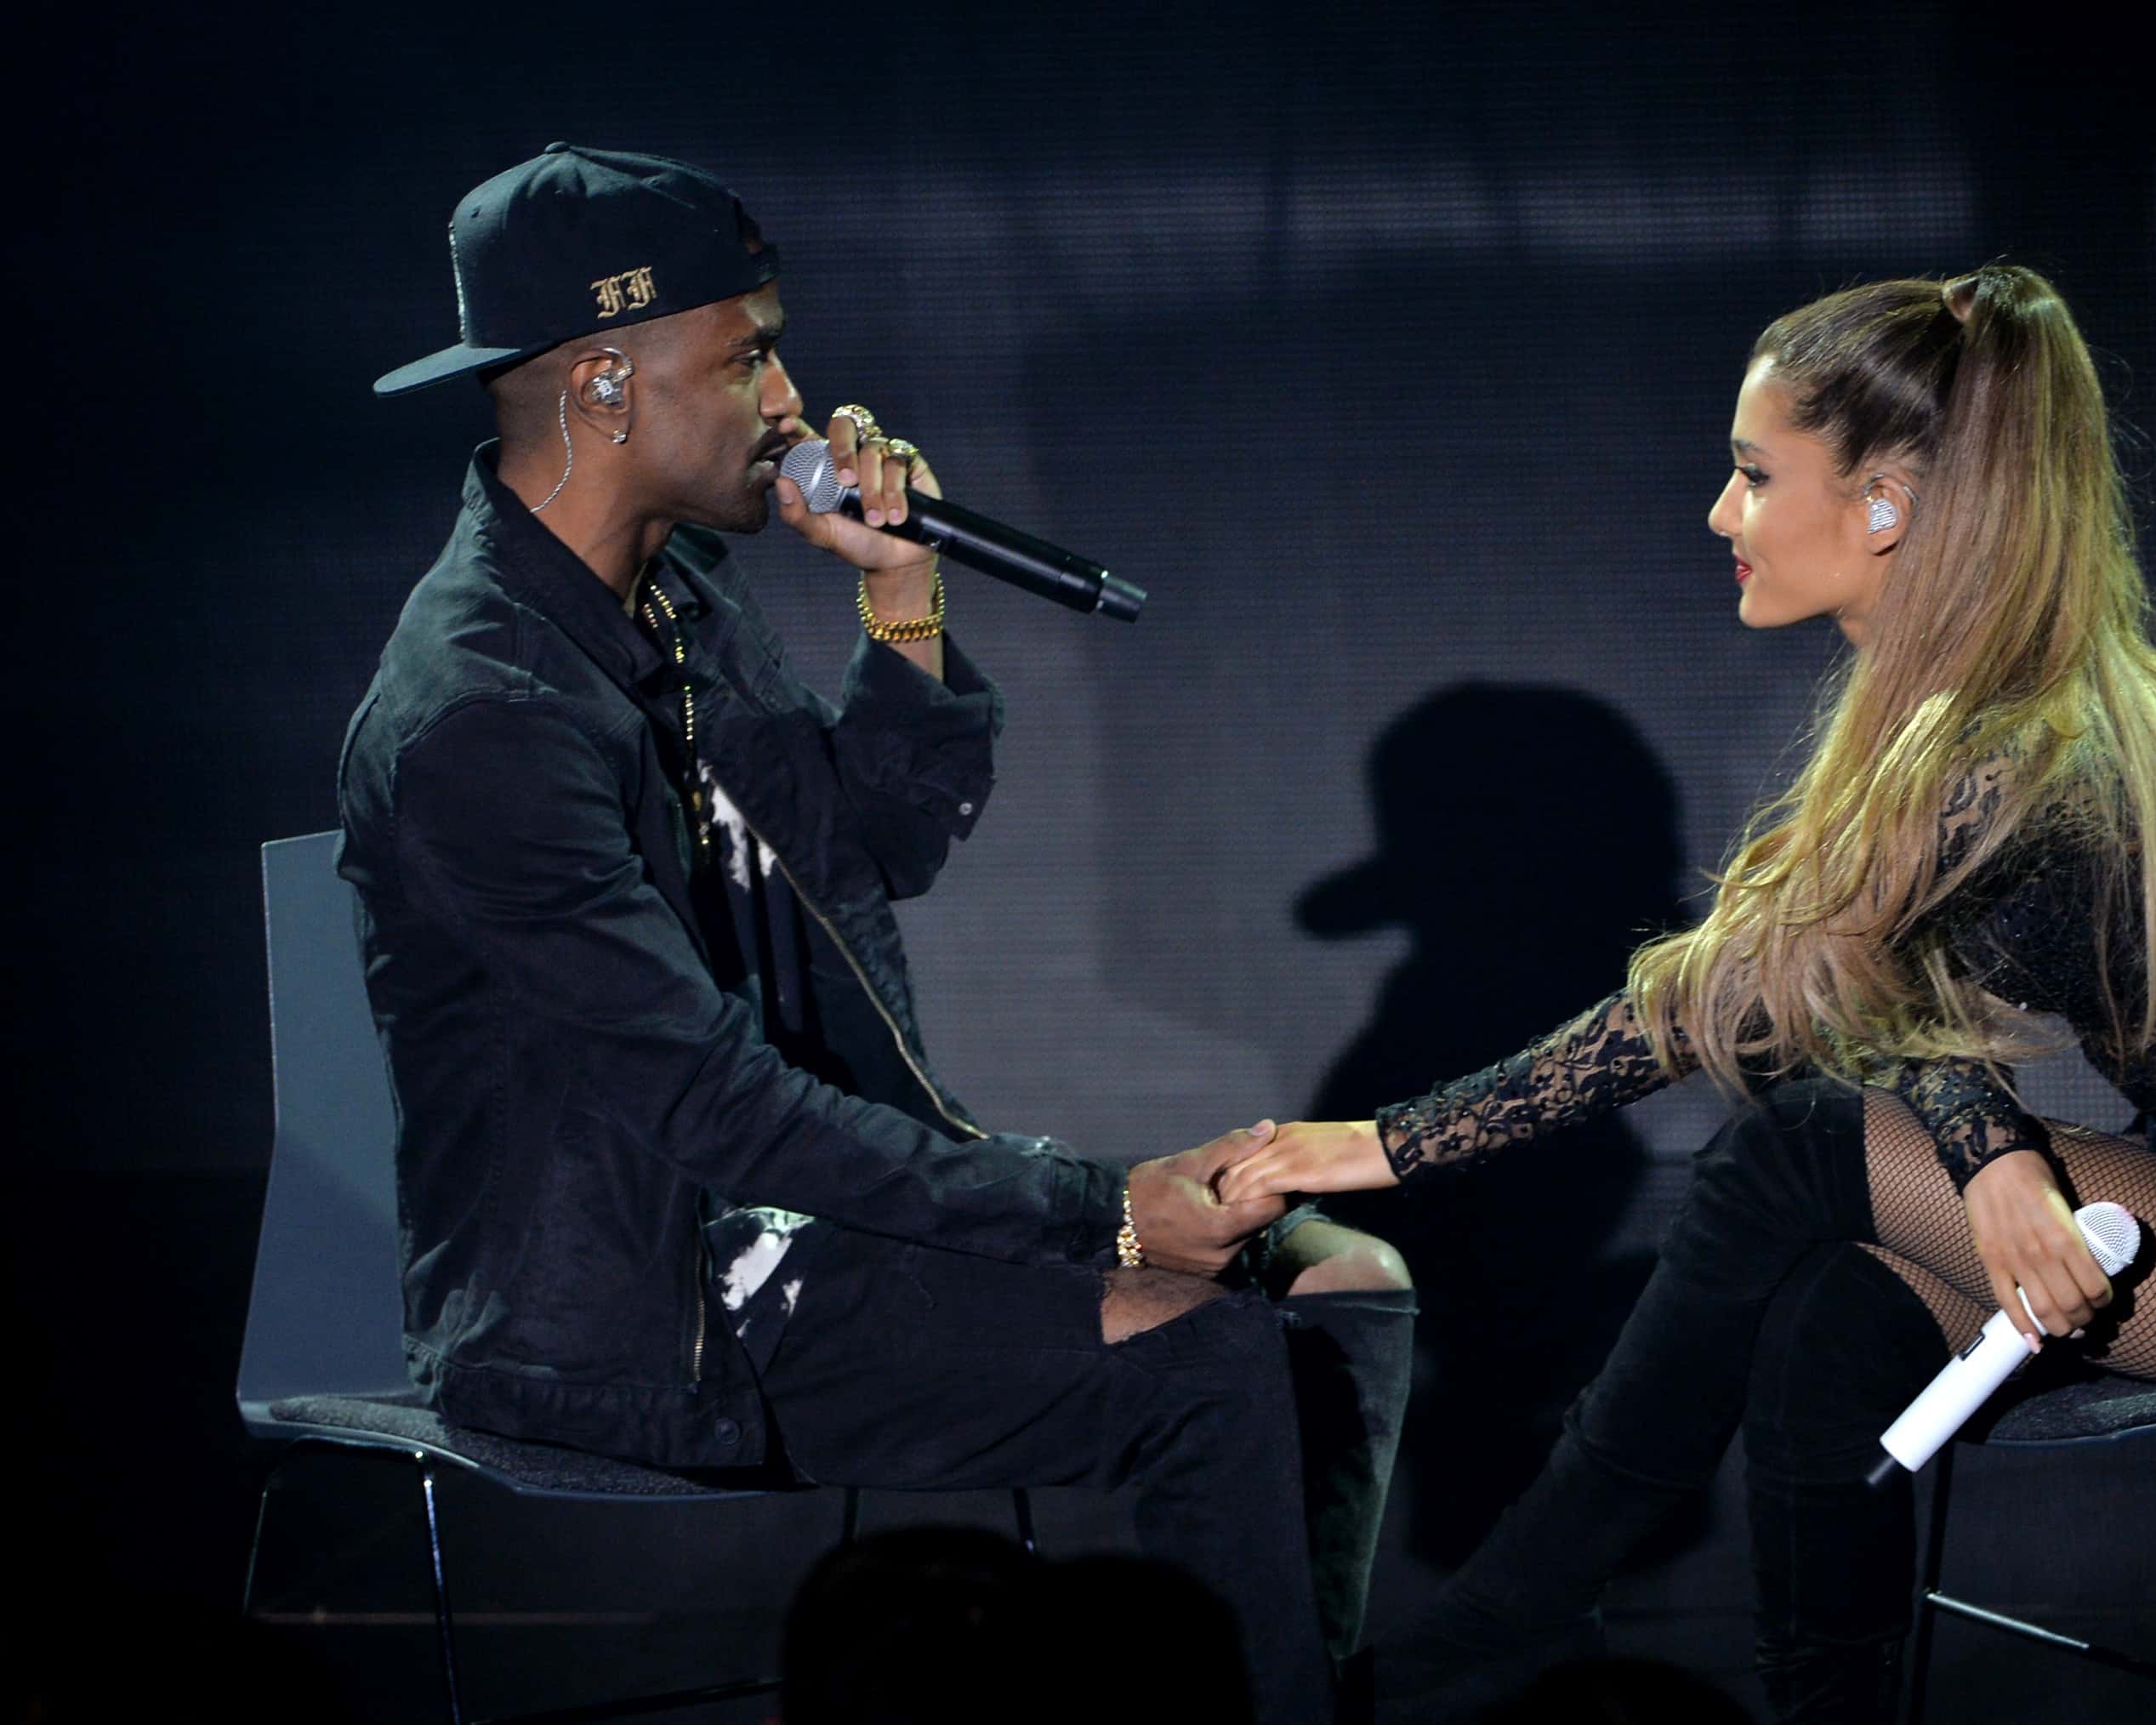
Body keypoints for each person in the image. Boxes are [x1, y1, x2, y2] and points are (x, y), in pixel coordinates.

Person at [1222, 265, 2156, 1721]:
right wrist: (1380, 1147)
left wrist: (1988, 1153)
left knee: (1793, 1145)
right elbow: (1741, 995)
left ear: (1887, 507)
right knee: (1831, 1322)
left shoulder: (2022, 749)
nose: (1719, 515)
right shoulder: (1976, 721)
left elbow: (1821, 1019)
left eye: (1751, 474)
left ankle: (1510, 1615)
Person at [338, 144, 1411, 1725]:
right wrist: (1104, 1217)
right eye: (748, 357)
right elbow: (710, 1107)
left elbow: (868, 852)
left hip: (795, 1213)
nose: (792, 402)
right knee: (1208, 1350)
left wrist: (901, 600)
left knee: (1343, 1278)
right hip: (630, 1304)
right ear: (604, 386)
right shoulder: (481, 716)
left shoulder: (674, 598)